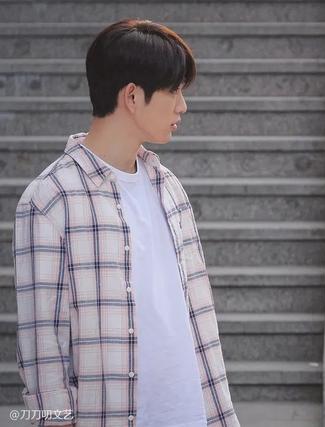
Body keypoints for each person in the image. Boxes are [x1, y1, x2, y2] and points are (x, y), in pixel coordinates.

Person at [13, 19, 239, 426]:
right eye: (173, 91)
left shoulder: (169, 187)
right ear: (132, 96)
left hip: (193, 413)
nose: (182, 106)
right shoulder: (51, 198)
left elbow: (197, 316)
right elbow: (42, 345)